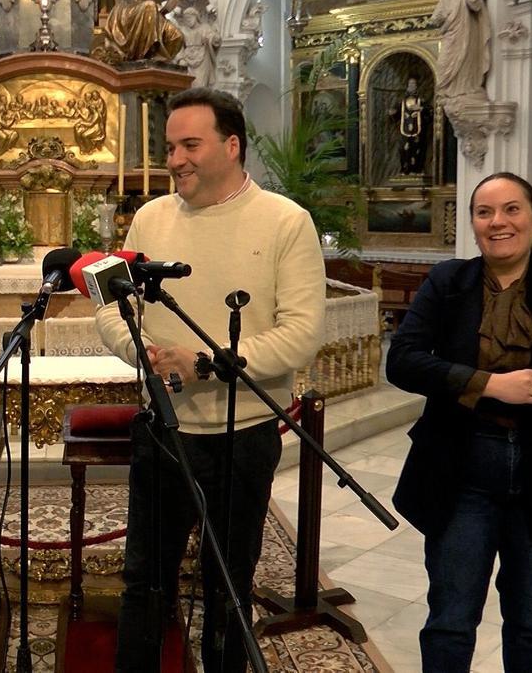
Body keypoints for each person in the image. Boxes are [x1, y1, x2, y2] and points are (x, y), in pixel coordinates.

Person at [96, 87, 326, 672]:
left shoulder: (285, 221)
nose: (175, 159)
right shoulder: (150, 216)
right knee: (145, 583)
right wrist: (144, 352)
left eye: (190, 145)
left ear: (232, 145)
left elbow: (300, 334)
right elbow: (109, 307)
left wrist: (199, 361)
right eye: (171, 146)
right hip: (163, 431)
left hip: (241, 435)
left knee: (228, 588)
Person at [387, 172, 532, 672]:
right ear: (473, 223)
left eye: (512, 209)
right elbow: (402, 361)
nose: (498, 222)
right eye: (484, 212)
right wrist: (492, 384)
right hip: (460, 470)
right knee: (449, 619)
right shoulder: (448, 281)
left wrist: (458, 381)